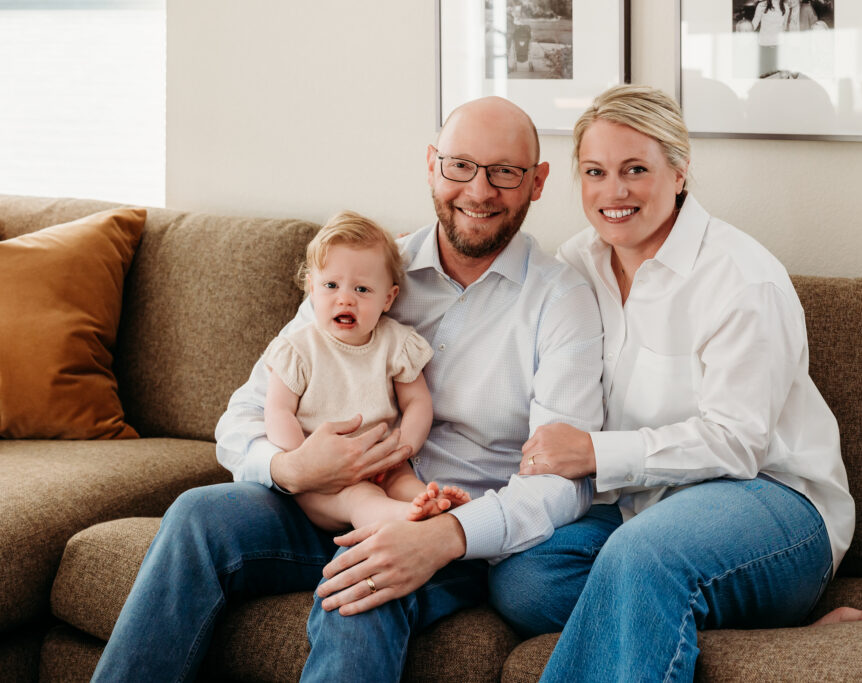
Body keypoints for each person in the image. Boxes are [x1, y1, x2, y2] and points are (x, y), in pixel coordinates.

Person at [92, 96, 606, 681]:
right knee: (198, 514)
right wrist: (292, 469)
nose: (479, 190)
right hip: (325, 499)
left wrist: (445, 535)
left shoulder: (560, 301)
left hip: (455, 524)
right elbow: (244, 416)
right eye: (460, 165)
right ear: (433, 163)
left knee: (362, 589)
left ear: (536, 182)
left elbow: (565, 481)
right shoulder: (363, 272)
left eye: (505, 172)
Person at [487, 84, 862, 681]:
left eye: (634, 169)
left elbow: (738, 441)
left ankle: (662, 602)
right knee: (523, 579)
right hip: (641, 510)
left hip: (775, 504)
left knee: (645, 557)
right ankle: (758, 638)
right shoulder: (577, 265)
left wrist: (594, 452)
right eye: (595, 171)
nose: (612, 192)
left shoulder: (741, 279)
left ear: (679, 169)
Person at [263, 211, 469, 530]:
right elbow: (278, 411)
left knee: (402, 483)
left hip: (381, 462)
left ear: (388, 298)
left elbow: (417, 403)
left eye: (362, 290)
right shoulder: (298, 349)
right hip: (323, 480)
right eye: (331, 285)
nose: (345, 299)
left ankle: (431, 502)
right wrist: (306, 459)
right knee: (359, 498)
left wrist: (402, 450)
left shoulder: (395, 343)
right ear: (312, 289)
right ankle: (400, 515)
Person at [752, 0, 790, 76]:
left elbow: (784, 27)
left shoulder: (786, 7)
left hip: (778, 47)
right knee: (764, 75)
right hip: (764, 45)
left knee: (780, 76)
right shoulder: (761, 5)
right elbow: (754, 23)